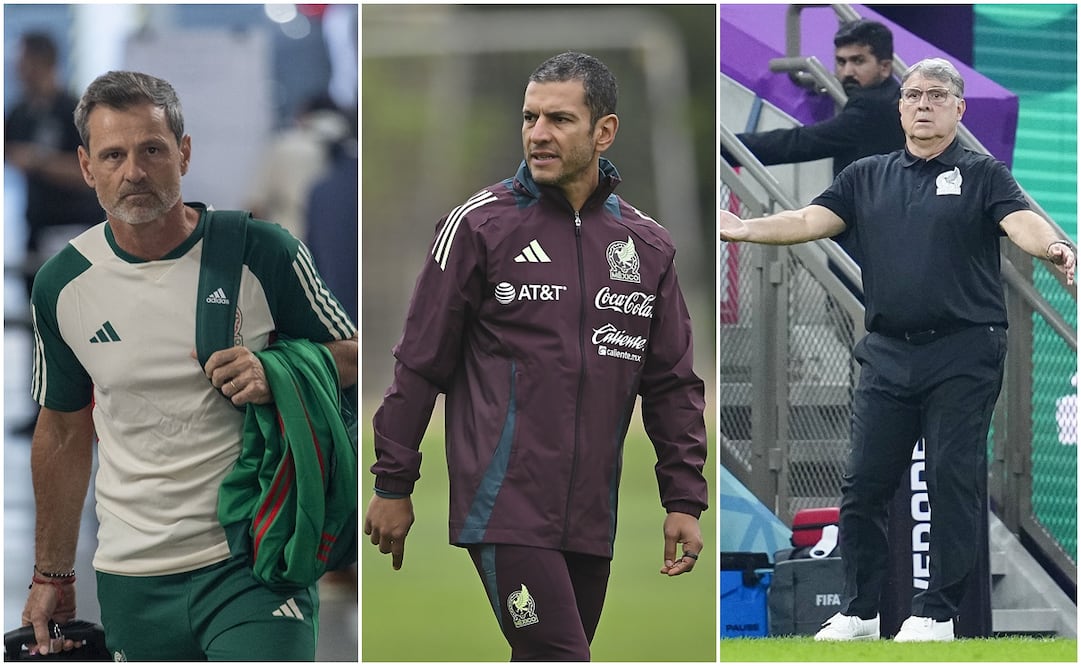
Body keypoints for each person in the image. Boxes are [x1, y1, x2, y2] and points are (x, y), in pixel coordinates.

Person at [365, 51, 708, 661]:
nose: (538, 134)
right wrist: (394, 482)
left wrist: (682, 499)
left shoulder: (647, 246)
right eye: (529, 118)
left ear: (604, 131)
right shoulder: (478, 227)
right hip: (505, 503)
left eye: (559, 119)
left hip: (590, 515)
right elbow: (420, 362)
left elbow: (672, 384)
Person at [718, 57, 1075, 642]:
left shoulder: (984, 174)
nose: (924, 103)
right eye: (914, 95)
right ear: (900, 106)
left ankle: (937, 613)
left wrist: (1055, 247)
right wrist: (746, 228)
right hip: (885, 350)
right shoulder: (866, 174)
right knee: (863, 483)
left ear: (958, 109)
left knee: (949, 477)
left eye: (938, 95)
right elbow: (811, 218)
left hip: (965, 350)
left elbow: (1021, 224)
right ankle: (859, 609)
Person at [21, 70, 358, 660]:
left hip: (254, 562)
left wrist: (274, 369)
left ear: (183, 151)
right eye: (114, 155)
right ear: (85, 166)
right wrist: (51, 574)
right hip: (132, 576)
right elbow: (63, 430)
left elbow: (353, 356)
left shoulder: (261, 250)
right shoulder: (62, 284)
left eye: (152, 150)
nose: (134, 172)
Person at [5, 31, 105, 435]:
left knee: (84, 324)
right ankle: (45, 409)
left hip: (75, 231)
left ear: (43, 61)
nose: (17, 68)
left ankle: (92, 409)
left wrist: (41, 161)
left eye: (23, 60)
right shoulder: (20, 113)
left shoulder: (74, 111)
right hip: (36, 230)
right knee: (39, 320)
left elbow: (91, 174)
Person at [723, 19, 904, 178]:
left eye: (858, 61)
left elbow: (798, 143)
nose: (847, 72)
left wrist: (722, 147)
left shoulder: (871, 107)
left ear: (885, 67)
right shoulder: (896, 97)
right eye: (841, 62)